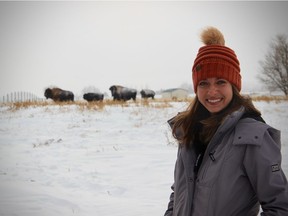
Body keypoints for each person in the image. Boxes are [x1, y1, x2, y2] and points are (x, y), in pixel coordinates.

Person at [164, 26, 288, 216]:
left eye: (220, 81)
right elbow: (179, 192)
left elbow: (280, 207)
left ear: (234, 85)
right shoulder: (188, 131)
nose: (212, 91)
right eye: (203, 83)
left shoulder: (252, 137)